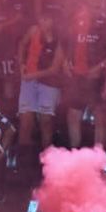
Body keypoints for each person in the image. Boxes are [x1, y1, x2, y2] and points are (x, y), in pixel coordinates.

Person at [64, 0, 106, 148]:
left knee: (100, 117)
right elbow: (71, 41)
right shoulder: (78, 16)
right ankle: (75, 153)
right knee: (73, 115)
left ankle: (98, 159)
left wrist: (101, 66)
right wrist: (66, 61)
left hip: (99, 76)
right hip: (78, 74)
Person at [17, 10, 66, 174]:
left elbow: (54, 69)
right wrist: (22, 64)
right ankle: (23, 163)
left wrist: (32, 75)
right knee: (26, 121)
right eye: (43, 18)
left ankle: (47, 164)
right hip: (29, 81)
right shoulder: (33, 31)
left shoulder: (59, 39)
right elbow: (22, 45)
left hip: (49, 83)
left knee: (46, 121)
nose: (44, 22)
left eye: (48, 18)